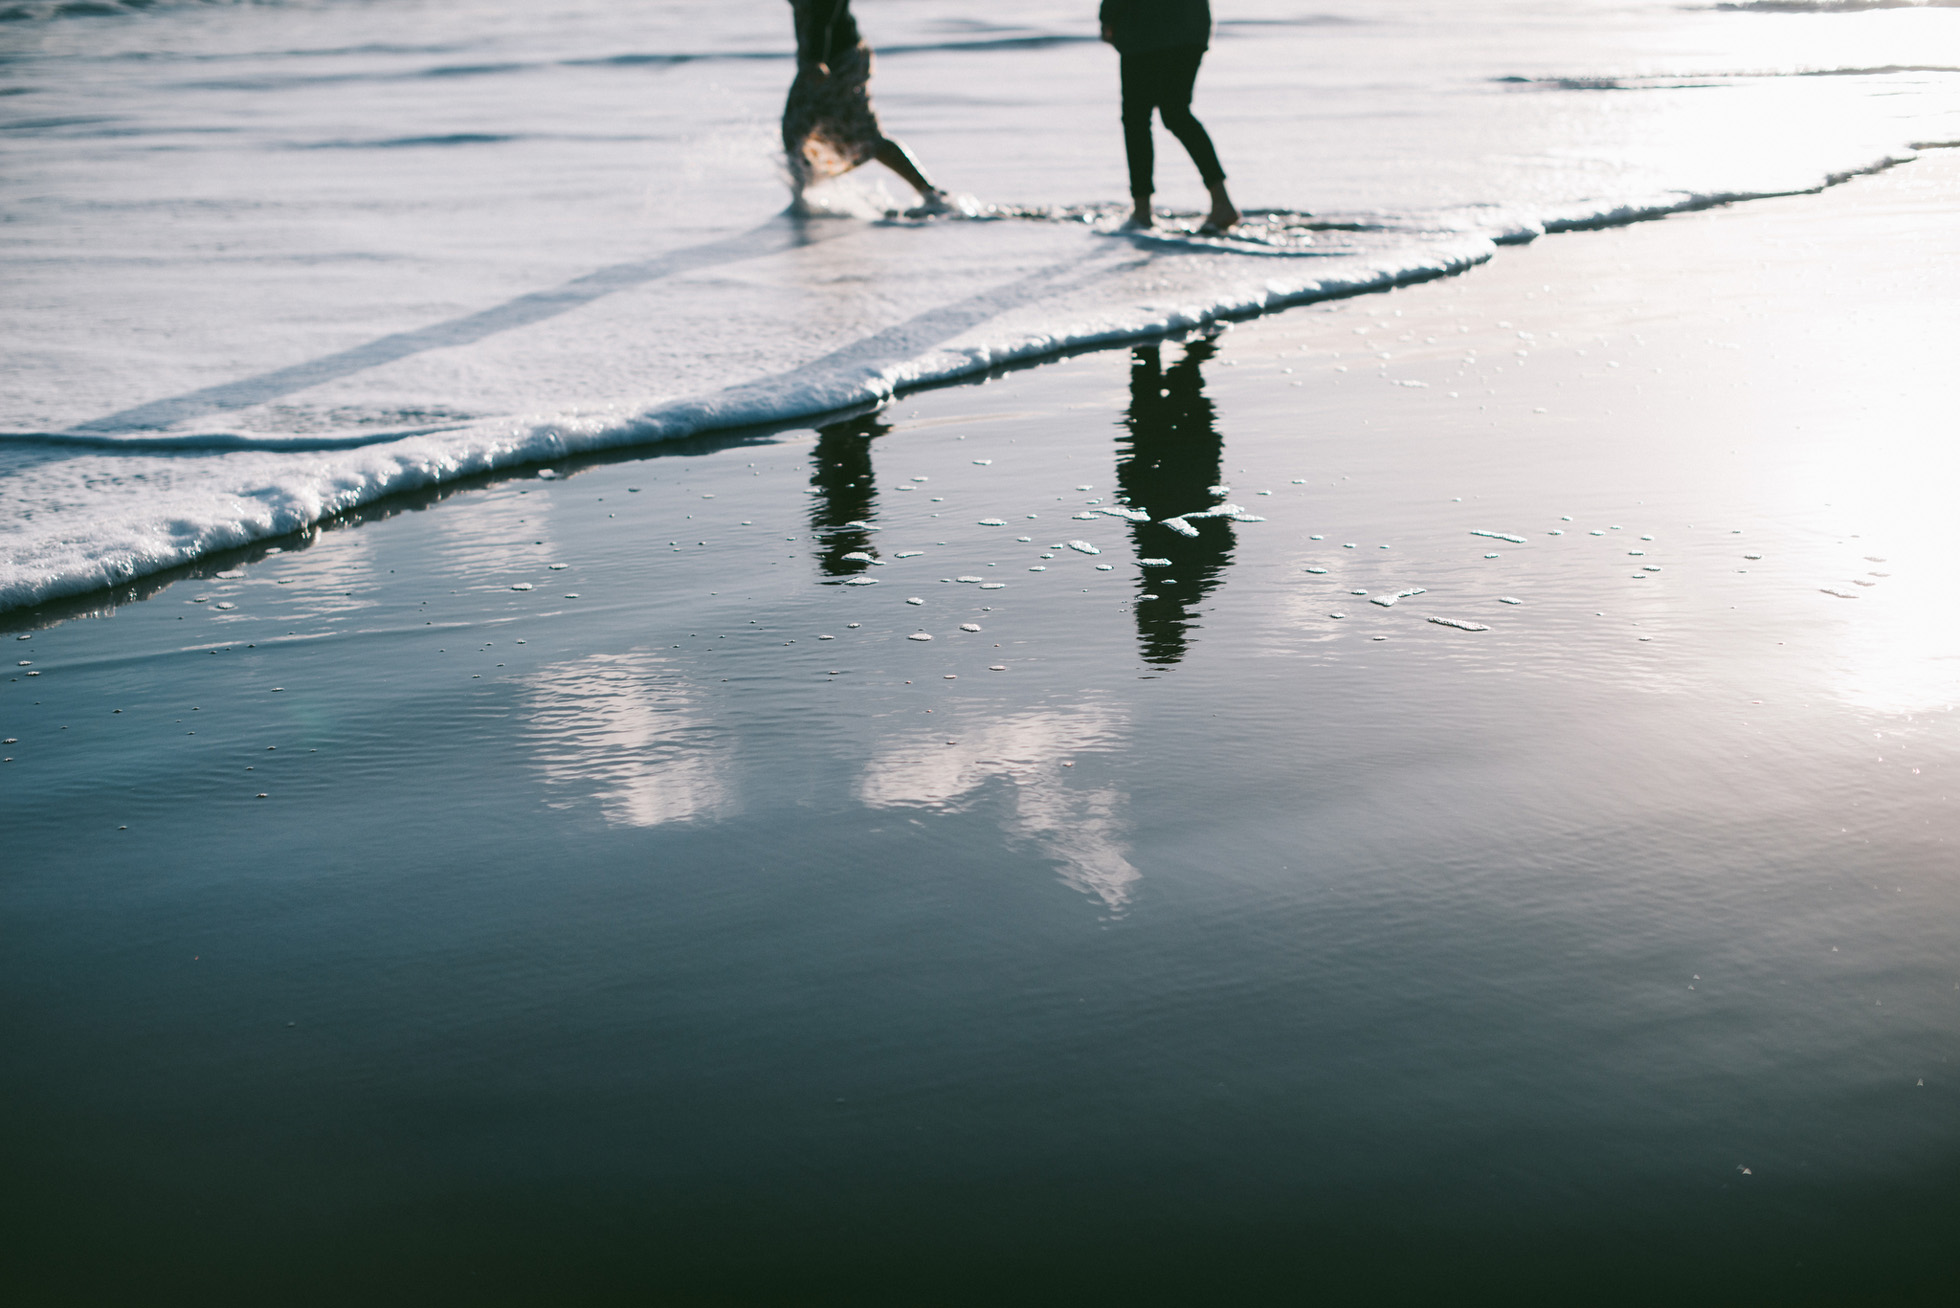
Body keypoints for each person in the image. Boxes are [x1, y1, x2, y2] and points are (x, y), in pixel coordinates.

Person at [783, 0, 949, 212]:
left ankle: (932, 194)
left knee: (862, 133)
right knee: (795, 130)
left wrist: (816, 58)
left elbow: (823, 12)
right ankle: (805, 198)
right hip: (822, 62)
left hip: (838, 62)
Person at [1098, 0, 1239, 231]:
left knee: (1137, 119)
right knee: (1176, 113)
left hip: (1145, 31)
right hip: (1190, 27)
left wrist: (1107, 18)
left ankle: (1142, 211)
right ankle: (1221, 200)